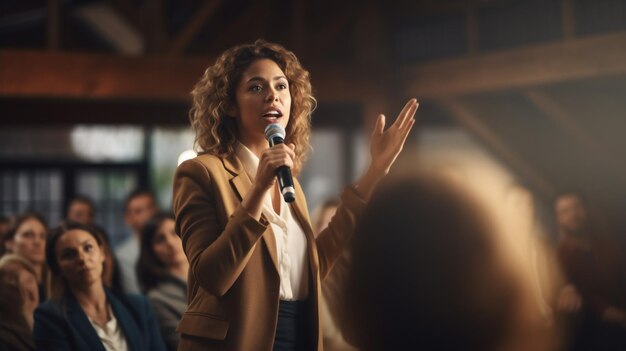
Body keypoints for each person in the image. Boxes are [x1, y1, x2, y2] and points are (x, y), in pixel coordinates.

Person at [172, 39, 417, 351]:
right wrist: (258, 190)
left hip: (298, 333)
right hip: (237, 340)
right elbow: (212, 275)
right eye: (256, 88)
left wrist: (375, 171)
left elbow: (314, 267)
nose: (273, 95)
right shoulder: (202, 172)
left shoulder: (291, 184)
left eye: (281, 86)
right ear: (230, 104)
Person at [342, 172, 557, 351]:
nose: (523, 211)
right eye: (517, 204)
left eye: (527, 205)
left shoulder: (539, 249)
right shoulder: (487, 254)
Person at [33, 221, 166, 351]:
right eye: (69, 254)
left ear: (102, 253)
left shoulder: (139, 307)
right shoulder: (50, 317)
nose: (82, 258)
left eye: (88, 248)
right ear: (57, 268)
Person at [554, 191, 626, 350]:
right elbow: (584, 300)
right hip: (592, 336)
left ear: (585, 210)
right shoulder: (559, 258)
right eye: (565, 211)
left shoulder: (608, 246)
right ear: (558, 219)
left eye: (576, 207)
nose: (573, 214)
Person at [136, 213, 188, 351]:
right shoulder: (157, 298)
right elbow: (182, 344)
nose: (170, 243)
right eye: (160, 239)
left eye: (174, 232)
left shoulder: (211, 274)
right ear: (151, 250)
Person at [116, 189, 158, 294]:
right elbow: (137, 294)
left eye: (150, 208)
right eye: (137, 211)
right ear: (127, 218)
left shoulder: (172, 243)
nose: (148, 214)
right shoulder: (123, 255)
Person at [0, 213, 50, 300]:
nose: (37, 242)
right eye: (28, 235)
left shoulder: (56, 281)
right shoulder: (3, 281)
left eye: (43, 236)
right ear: (9, 243)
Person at [0, 254, 40, 351]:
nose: (29, 291)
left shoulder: (50, 323)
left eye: (29, 280)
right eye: (14, 286)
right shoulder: (4, 337)